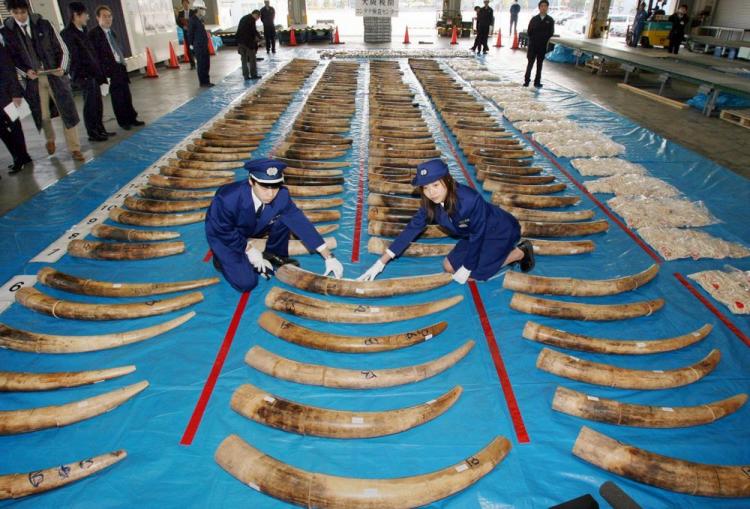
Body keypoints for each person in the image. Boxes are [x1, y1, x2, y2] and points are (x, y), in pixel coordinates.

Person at [358, 159, 534, 284]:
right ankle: (482, 263)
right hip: (472, 234)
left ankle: (520, 252)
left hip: (499, 231)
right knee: (449, 266)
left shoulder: (470, 200)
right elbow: (411, 230)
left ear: (447, 181)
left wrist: (467, 267)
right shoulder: (430, 203)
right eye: (426, 188)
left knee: (473, 275)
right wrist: (381, 262)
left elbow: (478, 235)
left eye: (435, 185)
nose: (431, 192)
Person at [205, 158, 344, 292]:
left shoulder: (282, 195)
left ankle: (272, 254)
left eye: (275, 186)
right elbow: (222, 230)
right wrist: (249, 250)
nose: (270, 193)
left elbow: (299, 221)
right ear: (251, 181)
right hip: (227, 234)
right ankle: (221, 260)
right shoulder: (227, 199)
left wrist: (328, 256)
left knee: (285, 218)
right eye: (264, 187)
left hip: (253, 225)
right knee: (247, 283)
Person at [3, 0, 84, 161]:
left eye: (22, 12)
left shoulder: (45, 24)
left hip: (55, 77)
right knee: (43, 115)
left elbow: (63, 48)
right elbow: (10, 60)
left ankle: (75, 148)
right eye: (15, 13)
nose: (20, 16)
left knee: (66, 112)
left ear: (28, 10)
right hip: (34, 81)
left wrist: (62, 68)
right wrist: (25, 72)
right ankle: (50, 139)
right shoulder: (7, 32)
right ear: (11, 13)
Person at [61, 2, 111, 143]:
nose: (87, 17)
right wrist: (84, 74)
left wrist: (99, 73)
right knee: (90, 104)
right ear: (76, 15)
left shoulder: (83, 30)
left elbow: (92, 53)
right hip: (83, 75)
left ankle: (100, 128)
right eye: (85, 14)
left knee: (97, 103)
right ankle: (93, 132)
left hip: (94, 72)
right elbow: (75, 57)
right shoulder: (67, 34)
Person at [89, 6, 144, 130]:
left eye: (109, 16)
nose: (108, 19)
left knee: (126, 94)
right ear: (98, 18)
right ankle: (123, 121)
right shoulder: (94, 34)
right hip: (109, 69)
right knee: (117, 96)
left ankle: (132, 118)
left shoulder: (112, 32)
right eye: (104, 16)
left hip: (119, 66)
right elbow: (95, 56)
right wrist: (102, 73)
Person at [0, 30, 31, 174]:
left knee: (14, 127)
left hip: (7, 96)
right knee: (5, 130)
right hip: (5, 96)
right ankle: (20, 156)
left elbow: (9, 71)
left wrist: (15, 94)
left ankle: (20, 158)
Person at [524, 0, 554, 88]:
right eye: (542, 6)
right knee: (530, 63)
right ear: (539, 7)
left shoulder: (550, 20)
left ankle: (537, 82)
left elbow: (551, 33)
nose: (543, 8)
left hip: (542, 46)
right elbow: (529, 32)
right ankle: (526, 80)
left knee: (539, 64)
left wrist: (543, 40)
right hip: (533, 45)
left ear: (547, 8)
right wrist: (534, 39)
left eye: (545, 6)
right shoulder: (534, 19)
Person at [187, 0, 212, 87]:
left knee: (206, 63)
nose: (204, 11)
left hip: (204, 45)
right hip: (198, 45)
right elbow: (190, 33)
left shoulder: (200, 19)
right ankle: (203, 82)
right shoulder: (193, 20)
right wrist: (190, 45)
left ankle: (207, 81)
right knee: (201, 64)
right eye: (202, 9)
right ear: (197, 9)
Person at [236, 9, 261, 80]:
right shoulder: (252, 20)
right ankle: (254, 75)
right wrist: (259, 37)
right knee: (252, 59)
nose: (257, 19)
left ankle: (246, 76)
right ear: (256, 15)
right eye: (258, 17)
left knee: (243, 60)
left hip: (240, 42)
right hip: (248, 43)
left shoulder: (244, 18)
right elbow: (253, 31)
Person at [176, 0, 195, 69]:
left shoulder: (193, 12)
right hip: (186, 33)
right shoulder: (180, 13)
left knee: (195, 47)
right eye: (183, 3)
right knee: (188, 49)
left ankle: (199, 61)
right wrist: (183, 26)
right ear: (182, 4)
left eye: (186, 3)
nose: (185, 5)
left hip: (194, 33)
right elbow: (178, 21)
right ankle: (192, 64)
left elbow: (197, 20)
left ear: (188, 4)